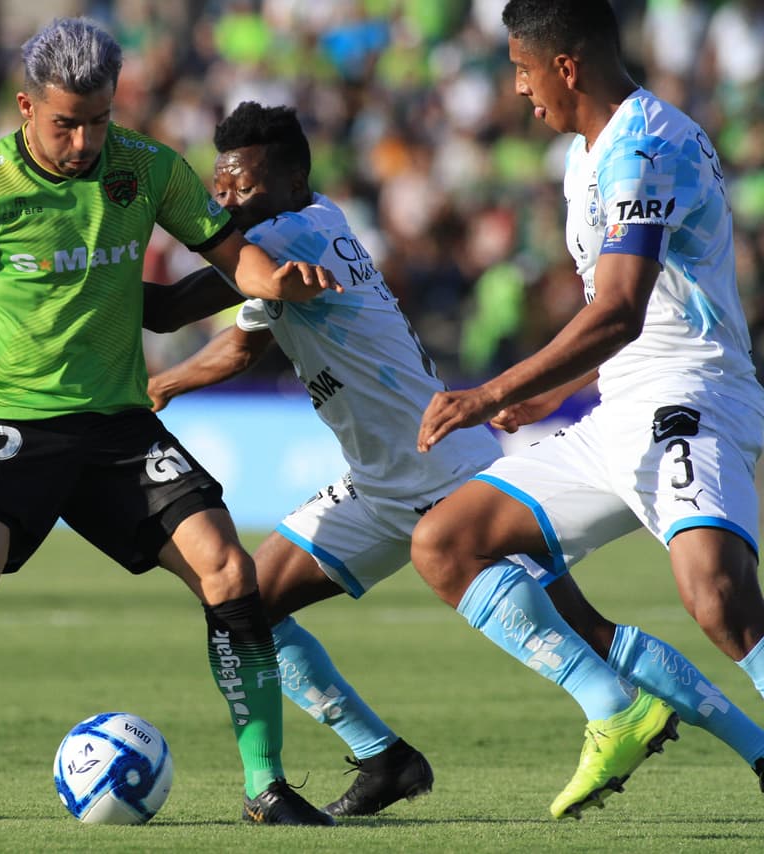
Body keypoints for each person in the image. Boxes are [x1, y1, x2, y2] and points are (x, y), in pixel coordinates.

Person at [145, 101, 764, 819]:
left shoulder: (292, 236)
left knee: (592, 634)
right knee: (247, 605)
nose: (225, 206)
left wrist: (86, 276)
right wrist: (165, 382)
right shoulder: (297, 238)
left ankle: (750, 745)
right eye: (217, 192)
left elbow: (164, 310)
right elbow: (242, 344)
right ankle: (384, 758)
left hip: (445, 470)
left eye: (241, 189)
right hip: (382, 481)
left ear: (289, 181)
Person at [0, 17, 342, 825]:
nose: (86, 141)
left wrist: (281, 278)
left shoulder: (149, 167)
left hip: (119, 427)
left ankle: (265, 786)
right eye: (66, 123)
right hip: (14, 421)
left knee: (230, 574)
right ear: (26, 106)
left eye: (98, 120)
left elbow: (231, 255)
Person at [410, 0, 764, 820]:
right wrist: (550, 391)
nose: (520, 90)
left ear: (565, 65)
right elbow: (616, 321)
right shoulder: (586, 156)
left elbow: (622, 310)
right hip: (617, 412)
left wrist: (493, 390)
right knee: (446, 542)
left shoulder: (643, 146)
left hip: (692, 395)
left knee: (716, 593)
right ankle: (616, 706)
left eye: (523, 69)